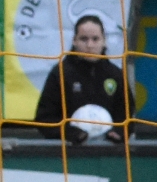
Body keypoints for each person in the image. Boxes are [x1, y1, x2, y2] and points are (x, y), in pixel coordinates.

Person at [34, 14, 126, 144]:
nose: (89, 45)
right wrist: (71, 133)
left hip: (109, 153)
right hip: (70, 153)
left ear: (104, 41)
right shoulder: (60, 73)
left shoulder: (115, 75)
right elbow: (44, 119)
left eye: (95, 39)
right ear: (74, 41)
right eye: (84, 39)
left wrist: (118, 132)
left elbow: (126, 117)